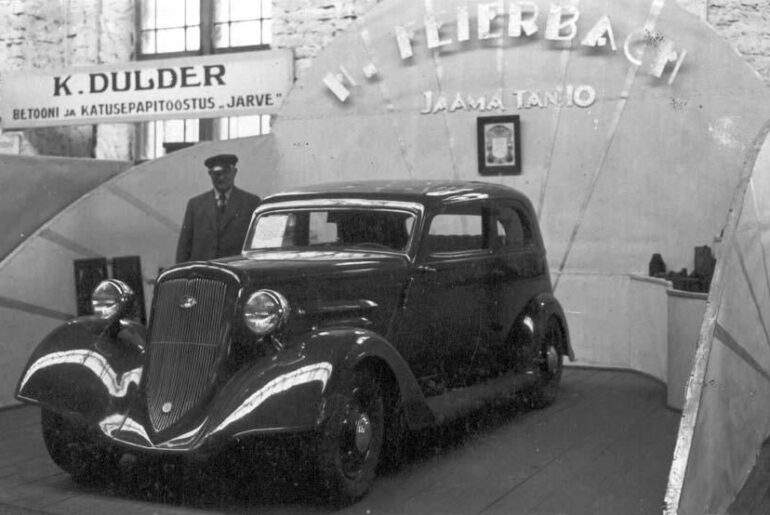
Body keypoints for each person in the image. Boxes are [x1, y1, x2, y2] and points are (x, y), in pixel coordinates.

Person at [175, 153, 261, 263]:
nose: (221, 177)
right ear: (210, 174)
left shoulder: (251, 203)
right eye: (217, 173)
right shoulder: (195, 205)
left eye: (226, 172)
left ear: (234, 172)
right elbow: (184, 248)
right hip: (202, 275)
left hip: (236, 273)